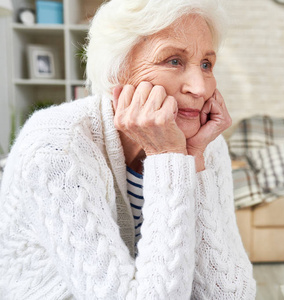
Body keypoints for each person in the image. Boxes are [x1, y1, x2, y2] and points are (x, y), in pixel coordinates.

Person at [0, 0, 256, 299]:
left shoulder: (205, 143)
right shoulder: (55, 147)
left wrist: (193, 160)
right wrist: (168, 159)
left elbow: (231, 294)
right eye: (174, 60)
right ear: (118, 70)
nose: (200, 87)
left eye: (206, 64)